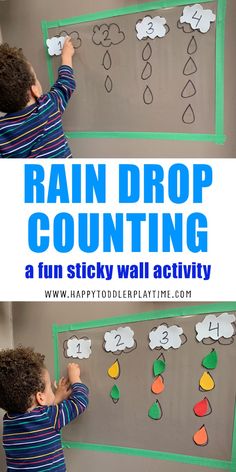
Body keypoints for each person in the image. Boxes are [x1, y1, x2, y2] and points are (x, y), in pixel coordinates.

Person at [0, 346, 89, 470]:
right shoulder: (49, 418)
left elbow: (37, 417)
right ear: (40, 398)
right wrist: (75, 378)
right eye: (49, 387)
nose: (52, 391)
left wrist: (56, 397)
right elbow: (80, 402)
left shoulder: (8, 421)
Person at [0, 38, 75, 158]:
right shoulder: (48, 106)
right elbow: (65, 85)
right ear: (34, 90)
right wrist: (66, 56)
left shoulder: (2, 133)